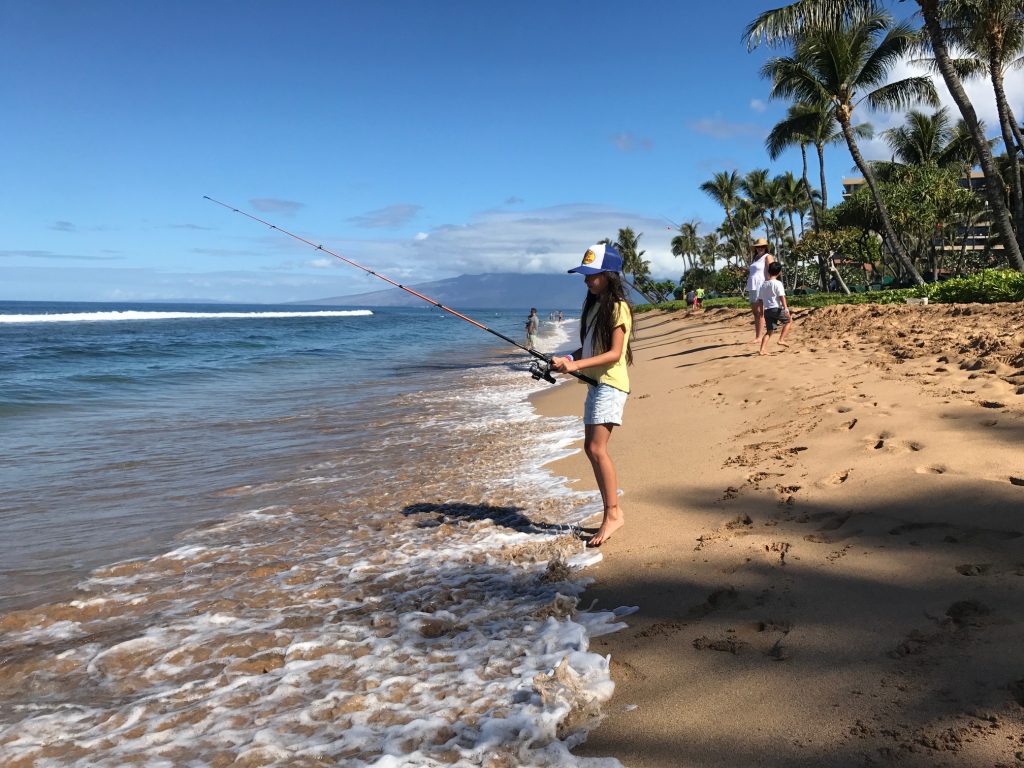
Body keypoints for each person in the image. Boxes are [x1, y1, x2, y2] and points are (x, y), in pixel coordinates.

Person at [551, 243, 633, 547]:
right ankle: (612, 512)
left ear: (608, 274)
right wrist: (565, 360)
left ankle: (613, 514)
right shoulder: (595, 305)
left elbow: (613, 354)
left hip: (611, 383)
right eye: (585, 276)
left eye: (593, 275)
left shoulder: (618, 307)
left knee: (597, 449)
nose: (587, 280)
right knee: (591, 448)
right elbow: (589, 348)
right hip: (596, 384)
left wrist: (576, 365)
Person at [757, 261, 793, 355]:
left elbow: (760, 300)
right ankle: (781, 339)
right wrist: (786, 308)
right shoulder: (777, 283)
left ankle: (762, 350)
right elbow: (781, 296)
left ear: (768, 271)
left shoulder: (763, 285)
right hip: (775, 309)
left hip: (767, 311)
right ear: (779, 272)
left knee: (769, 331)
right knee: (788, 321)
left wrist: (761, 312)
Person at [745, 237, 775, 342]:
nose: (760, 248)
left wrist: (770, 284)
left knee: (760, 311)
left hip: (761, 285)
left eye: (762, 246)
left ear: (766, 247)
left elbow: (772, 270)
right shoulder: (755, 257)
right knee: (755, 312)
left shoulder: (768, 256)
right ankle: (757, 336)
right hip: (752, 286)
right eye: (758, 247)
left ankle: (758, 337)